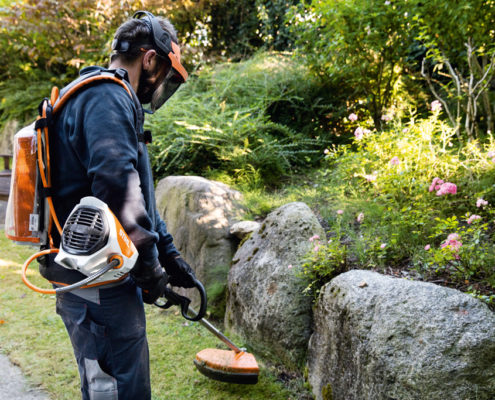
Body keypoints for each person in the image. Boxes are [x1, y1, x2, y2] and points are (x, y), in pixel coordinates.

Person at [39, 11, 196, 400]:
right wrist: (149, 268)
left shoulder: (101, 94)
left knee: (115, 382)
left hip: (98, 271)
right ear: (150, 60)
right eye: (165, 73)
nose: (162, 85)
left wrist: (169, 257)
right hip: (97, 280)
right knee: (115, 389)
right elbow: (116, 191)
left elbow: (137, 192)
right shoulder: (106, 98)